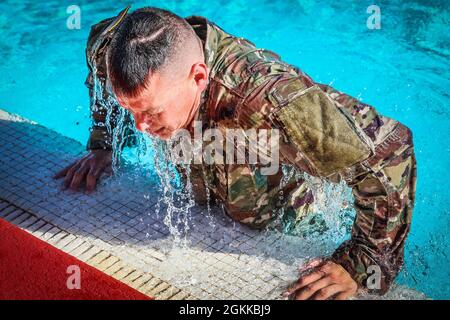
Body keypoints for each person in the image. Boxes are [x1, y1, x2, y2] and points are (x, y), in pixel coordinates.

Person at [54, 6, 416, 300]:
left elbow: (390, 148)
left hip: (287, 217)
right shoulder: (112, 50)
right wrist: (104, 144)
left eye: (152, 112)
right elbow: (100, 74)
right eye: (131, 110)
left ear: (198, 77)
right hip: (211, 177)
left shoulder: (270, 102)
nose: (141, 126)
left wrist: (363, 260)